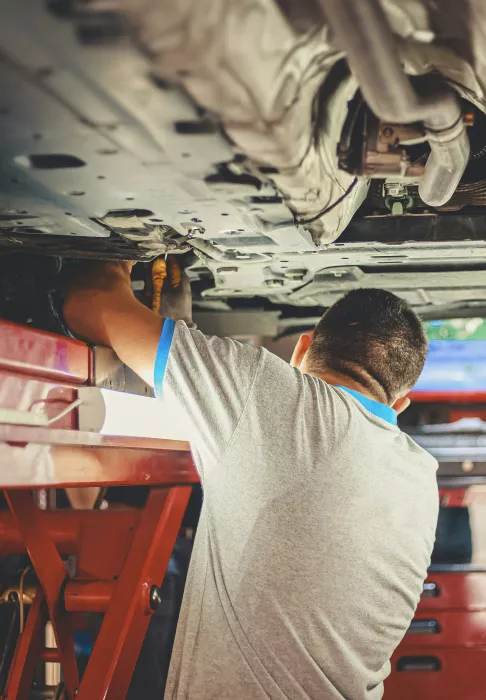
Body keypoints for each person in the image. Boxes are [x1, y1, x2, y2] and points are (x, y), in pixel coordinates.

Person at [63, 261, 439, 700]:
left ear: (301, 350)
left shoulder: (271, 394)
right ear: (401, 403)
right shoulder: (419, 475)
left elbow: (89, 304)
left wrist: (120, 255)